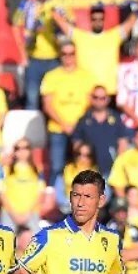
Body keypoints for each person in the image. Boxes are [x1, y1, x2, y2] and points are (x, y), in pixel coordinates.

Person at [41, 41, 96, 182]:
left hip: (81, 128)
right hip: (57, 128)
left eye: (71, 53)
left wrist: (76, 125)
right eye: (65, 54)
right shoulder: (51, 76)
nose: (68, 57)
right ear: (60, 55)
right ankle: (56, 198)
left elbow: (91, 103)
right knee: (56, 166)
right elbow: (47, 105)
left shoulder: (87, 76)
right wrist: (64, 124)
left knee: (83, 166)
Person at [15, 0, 70, 110]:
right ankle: (32, 130)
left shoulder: (60, 5)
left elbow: (71, 25)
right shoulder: (27, 5)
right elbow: (15, 25)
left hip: (55, 58)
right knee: (32, 98)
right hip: (34, 59)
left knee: (56, 99)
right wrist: (22, 53)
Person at [60, 5, 138, 99]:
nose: (98, 22)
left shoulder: (114, 36)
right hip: (87, 92)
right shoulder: (80, 36)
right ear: (90, 20)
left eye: (100, 19)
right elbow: (61, 22)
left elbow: (131, 22)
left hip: (110, 91)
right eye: (94, 19)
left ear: (104, 20)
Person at [70, 86, 128, 177]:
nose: (99, 101)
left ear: (108, 99)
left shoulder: (116, 118)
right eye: (95, 97)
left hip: (111, 170)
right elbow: (76, 144)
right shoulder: (83, 119)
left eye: (102, 98)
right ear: (91, 98)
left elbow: (123, 143)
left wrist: (118, 166)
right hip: (89, 172)